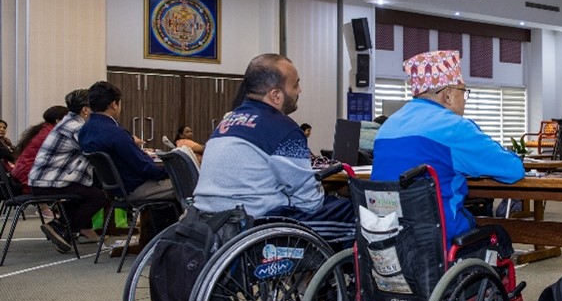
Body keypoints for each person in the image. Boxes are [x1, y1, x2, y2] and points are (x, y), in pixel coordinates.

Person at [192, 54, 356, 249]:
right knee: (358, 215)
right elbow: (310, 203)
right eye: (295, 85)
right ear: (276, 95)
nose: (300, 90)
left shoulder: (227, 121)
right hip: (258, 224)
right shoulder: (283, 129)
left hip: (211, 221)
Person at [372, 50, 525, 243]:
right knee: (497, 237)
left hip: (386, 237)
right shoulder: (454, 127)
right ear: (448, 95)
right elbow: (513, 170)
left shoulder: (387, 127)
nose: (464, 99)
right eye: (463, 91)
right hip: (437, 239)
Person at [30, 90, 111, 251]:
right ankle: (63, 229)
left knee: (90, 190)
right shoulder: (74, 127)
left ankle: (61, 227)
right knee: (100, 196)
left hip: (48, 180)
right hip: (48, 182)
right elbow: (95, 146)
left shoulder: (69, 123)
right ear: (85, 110)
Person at [78, 81, 175, 202]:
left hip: (111, 189)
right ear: (114, 104)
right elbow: (144, 168)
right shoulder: (116, 133)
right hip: (134, 188)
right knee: (188, 185)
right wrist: (171, 171)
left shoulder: (84, 130)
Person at [10, 105, 69, 195]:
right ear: (58, 121)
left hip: (23, 176)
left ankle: (49, 208)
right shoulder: (51, 134)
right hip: (30, 180)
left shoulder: (43, 129)